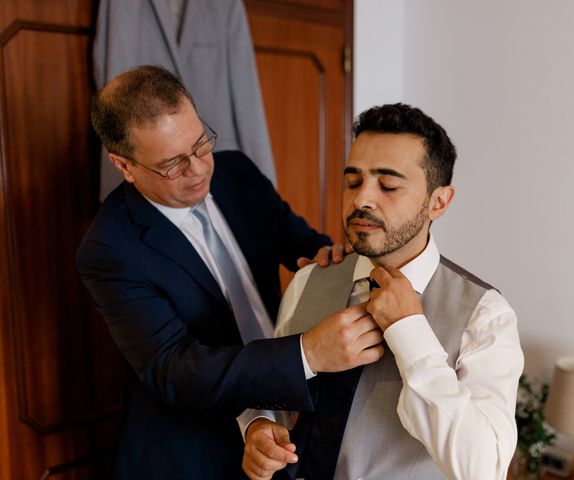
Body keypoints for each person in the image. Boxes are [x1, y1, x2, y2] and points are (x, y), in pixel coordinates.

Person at [76, 65, 383, 479]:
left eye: (201, 143)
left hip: (288, 420)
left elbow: (300, 242)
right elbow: (175, 368)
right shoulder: (108, 249)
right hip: (193, 449)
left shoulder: (237, 171)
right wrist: (306, 354)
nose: (199, 169)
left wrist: (326, 259)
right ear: (124, 166)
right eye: (172, 164)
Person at [241, 103, 524, 480]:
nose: (361, 200)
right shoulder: (311, 279)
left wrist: (410, 332)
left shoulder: (485, 315)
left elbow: (483, 468)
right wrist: (259, 424)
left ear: (438, 202)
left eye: (388, 184)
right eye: (353, 181)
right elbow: (270, 384)